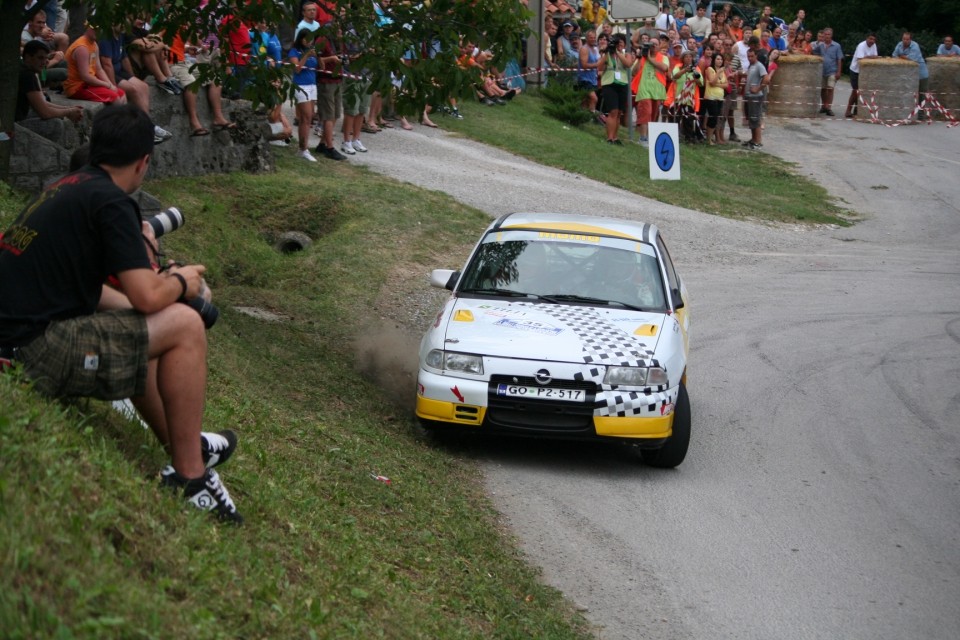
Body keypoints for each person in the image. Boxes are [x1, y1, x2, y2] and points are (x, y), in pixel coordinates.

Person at [0, 105, 242, 524]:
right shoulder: (111, 201)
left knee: (145, 333)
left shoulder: (65, 187)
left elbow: (98, 294)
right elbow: (148, 297)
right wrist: (181, 282)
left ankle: (186, 447)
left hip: (13, 338)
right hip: (31, 351)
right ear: (144, 161)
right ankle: (191, 477)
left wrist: (155, 304)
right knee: (185, 326)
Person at [16, 40, 83, 123]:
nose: (45, 62)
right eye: (40, 58)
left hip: (20, 115)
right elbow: (45, 113)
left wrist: (68, 109)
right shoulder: (27, 75)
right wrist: (69, 112)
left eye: (46, 58)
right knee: (56, 123)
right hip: (15, 124)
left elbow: (42, 103)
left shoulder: (24, 68)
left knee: (57, 115)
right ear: (28, 57)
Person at [63, 23, 127, 104]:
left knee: (121, 93)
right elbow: (85, 77)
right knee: (114, 97)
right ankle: (115, 116)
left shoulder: (94, 44)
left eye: (100, 29)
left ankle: (123, 116)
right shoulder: (82, 48)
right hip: (76, 88)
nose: (98, 31)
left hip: (88, 84)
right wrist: (107, 85)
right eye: (95, 29)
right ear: (87, 27)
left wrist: (111, 85)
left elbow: (99, 69)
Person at [632, 34, 670, 147]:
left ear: (659, 46)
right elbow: (634, 72)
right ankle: (643, 138)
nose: (653, 46)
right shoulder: (642, 57)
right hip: (644, 88)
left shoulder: (663, 57)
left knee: (653, 114)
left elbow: (665, 68)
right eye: (651, 44)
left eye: (655, 44)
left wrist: (649, 59)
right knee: (645, 112)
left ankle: (650, 137)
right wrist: (640, 58)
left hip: (657, 90)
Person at [289, 28, 319, 162]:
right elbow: (297, 68)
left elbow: (321, 67)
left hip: (312, 85)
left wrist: (318, 56)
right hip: (301, 85)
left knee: (309, 118)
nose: (309, 41)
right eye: (306, 39)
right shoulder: (294, 51)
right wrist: (306, 56)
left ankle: (304, 146)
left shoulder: (312, 51)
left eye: (311, 39)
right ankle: (303, 148)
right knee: (305, 116)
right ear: (300, 39)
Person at [597, 34, 632, 145]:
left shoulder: (626, 54)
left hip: (623, 83)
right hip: (609, 84)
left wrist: (617, 52)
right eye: (617, 43)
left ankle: (615, 137)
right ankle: (610, 137)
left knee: (619, 112)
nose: (619, 45)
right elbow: (600, 67)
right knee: (613, 111)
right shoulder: (608, 54)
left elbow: (628, 64)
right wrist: (606, 53)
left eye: (621, 43)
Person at [892, 32, 930, 119]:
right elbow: (894, 55)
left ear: (910, 39)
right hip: (908, 75)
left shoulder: (915, 46)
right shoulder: (899, 44)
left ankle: (921, 114)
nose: (905, 41)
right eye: (904, 39)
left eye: (907, 39)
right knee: (909, 94)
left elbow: (913, 59)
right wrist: (904, 57)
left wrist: (901, 56)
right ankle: (908, 113)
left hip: (921, 74)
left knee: (921, 94)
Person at [811, 27, 843, 116]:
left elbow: (839, 59)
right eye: (825, 34)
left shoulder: (837, 46)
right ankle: (823, 105)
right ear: (823, 35)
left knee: (830, 88)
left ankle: (829, 107)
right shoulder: (820, 46)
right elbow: (813, 52)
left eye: (828, 34)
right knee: (823, 89)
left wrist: (839, 72)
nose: (827, 36)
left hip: (832, 71)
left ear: (831, 35)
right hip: (822, 71)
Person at [845, 34, 878, 118]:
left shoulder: (874, 45)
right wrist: (871, 57)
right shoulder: (861, 46)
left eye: (873, 39)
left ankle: (857, 111)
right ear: (866, 38)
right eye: (870, 39)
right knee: (855, 91)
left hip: (865, 72)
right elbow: (861, 60)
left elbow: (876, 57)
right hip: (855, 70)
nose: (872, 41)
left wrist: (867, 57)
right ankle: (848, 111)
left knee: (861, 91)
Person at [743, 48, 766, 149]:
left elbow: (767, 78)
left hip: (755, 96)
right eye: (748, 56)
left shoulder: (759, 66)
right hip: (749, 95)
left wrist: (758, 88)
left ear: (756, 55)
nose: (750, 58)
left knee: (755, 119)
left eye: (752, 56)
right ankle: (753, 139)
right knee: (751, 119)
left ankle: (758, 141)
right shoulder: (751, 66)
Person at [704, 52, 727, 144]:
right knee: (712, 118)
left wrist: (718, 84)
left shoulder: (723, 72)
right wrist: (718, 72)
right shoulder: (710, 69)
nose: (720, 61)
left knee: (716, 118)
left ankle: (710, 138)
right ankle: (709, 139)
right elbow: (712, 82)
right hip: (711, 97)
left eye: (721, 59)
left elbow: (726, 85)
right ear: (714, 60)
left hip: (720, 98)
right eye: (718, 59)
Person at [578, 29, 601, 114]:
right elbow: (584, 65)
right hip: (584, 79)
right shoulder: (584, 49)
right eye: (591, 37)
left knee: (585, 101)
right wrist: (597, 64)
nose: (593, 39)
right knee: (593, 98)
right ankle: (592, 116)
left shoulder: (595, 49)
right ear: (587, 38)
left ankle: (582, 116)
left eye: (594, 37)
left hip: (593, 79)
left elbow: (599, 61)